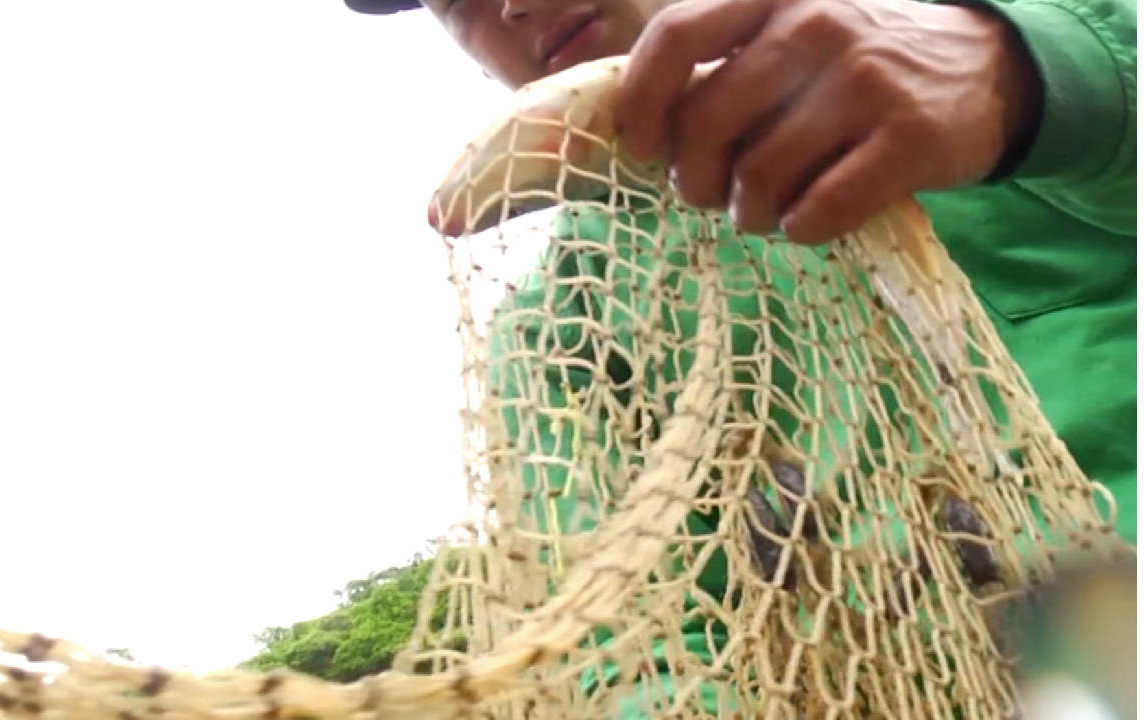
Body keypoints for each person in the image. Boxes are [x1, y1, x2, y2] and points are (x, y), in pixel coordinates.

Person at [344, 0, 1135, 715]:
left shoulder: (972, 34)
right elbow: (620, 658)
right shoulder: (559, 331)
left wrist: (1022, 78)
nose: (512, 4)